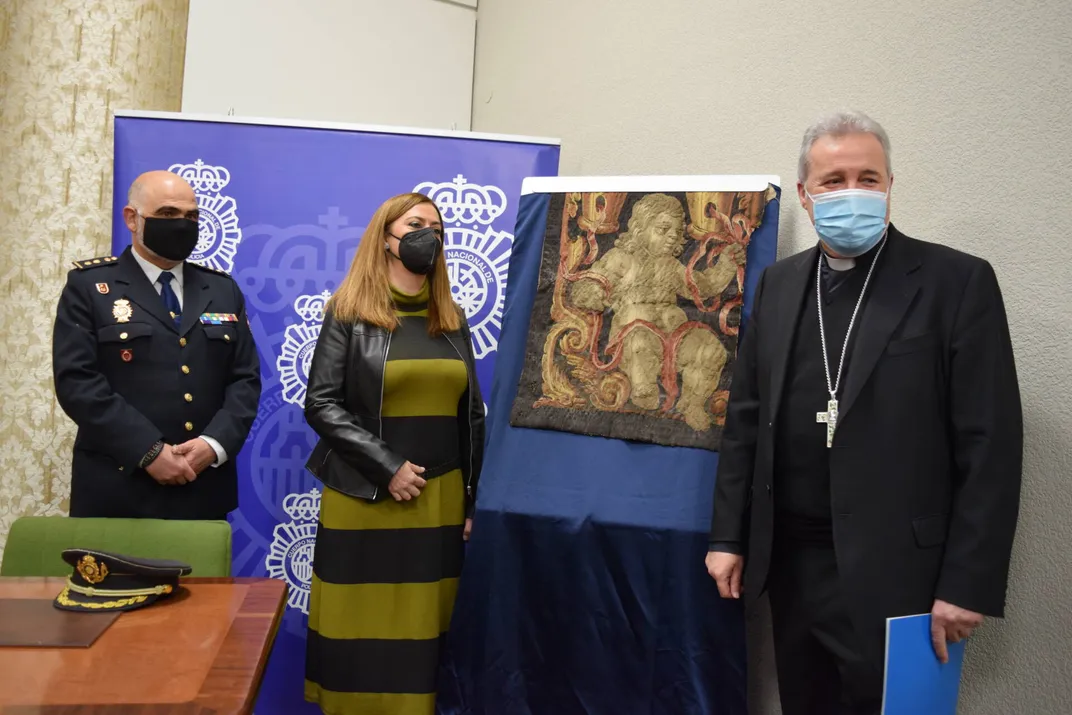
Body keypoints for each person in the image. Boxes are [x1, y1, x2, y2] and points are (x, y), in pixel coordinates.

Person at [705, 111, 1022, 714]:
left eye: (868, 177)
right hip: (792, 568)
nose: (852, 191)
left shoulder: (956, 283)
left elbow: (991, 445)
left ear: (890, 185)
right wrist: (728, 534)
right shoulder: (778, 284)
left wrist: (967, 583)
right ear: (804, 192)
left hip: (905, 575)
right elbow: (746, 420)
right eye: (833, 180)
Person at [302, 192, 485, 715]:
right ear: (386, 237)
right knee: (360, 629)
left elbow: (471, 415)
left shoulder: (452, 320)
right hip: (366, 500)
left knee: (424, 634)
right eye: (415, 223)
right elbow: (321, 404)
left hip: (439, 503)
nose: (429, 233)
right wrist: (389, 469)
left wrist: (470, 500)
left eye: (437, 226)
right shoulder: (347, 313)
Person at [52, 170, 261, 520]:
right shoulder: (90, 287)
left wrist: (213, 446)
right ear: (132, 219)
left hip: (202, 488)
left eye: (191, 216)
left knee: (201, 578)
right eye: (167, 214)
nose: (182, 224)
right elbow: (77, 383)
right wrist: (148, 452)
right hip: (116, 490)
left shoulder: (222, 290)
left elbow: (245, 380)